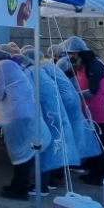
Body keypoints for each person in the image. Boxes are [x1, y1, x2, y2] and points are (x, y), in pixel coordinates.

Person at [0, 48, 50, 200]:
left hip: (17, 114)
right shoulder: (14, 65)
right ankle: (19, 184)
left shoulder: (2, 66)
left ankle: (19, 188)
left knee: (21, 151)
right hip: (24, 112)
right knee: (25, 150)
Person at [14, 53, 80, 194]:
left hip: (49, 115)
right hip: (55, 112)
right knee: (54, 148)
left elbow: (26, 96)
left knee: (44, 149)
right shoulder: (38, 69)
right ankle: (49, 182)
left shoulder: (30, 72)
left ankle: (41, 187)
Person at [64, 36, 104, 185]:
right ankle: (94, 171)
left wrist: (74, 95)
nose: (68, 57)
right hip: (93, 110)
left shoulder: (94, 66)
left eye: (69, 54)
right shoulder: (80, 66)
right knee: (95, 141)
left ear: (77, 53)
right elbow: (63, 75)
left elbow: (93, 90)